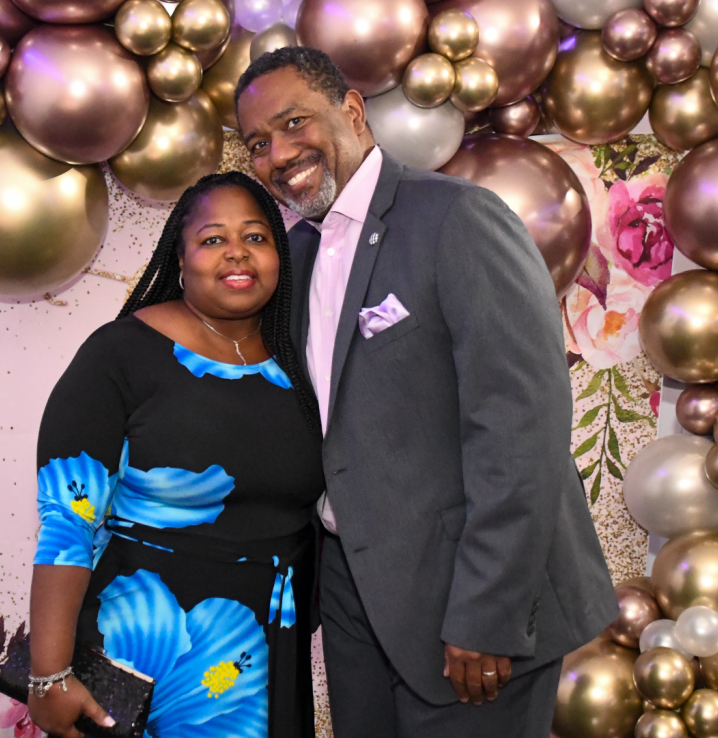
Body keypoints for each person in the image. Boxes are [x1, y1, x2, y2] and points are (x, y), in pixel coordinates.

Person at [235, 47, 619, 737]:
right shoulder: (292, 258)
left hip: (466, 598)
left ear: (352, 112)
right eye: (258, 143)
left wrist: (488, 611)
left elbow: (519, 426)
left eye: (294, 123)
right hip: (357, 597)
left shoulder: (458, 218)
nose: (277, 154)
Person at [26, 171, 325, 738]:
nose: (237, 252)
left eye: (256, 237)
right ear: (180, 259)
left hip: (263, 660)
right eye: (213, 239)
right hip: (141, 658)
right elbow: (67, 520)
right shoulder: (121, 353)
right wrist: (49, 674)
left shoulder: (297, 363)